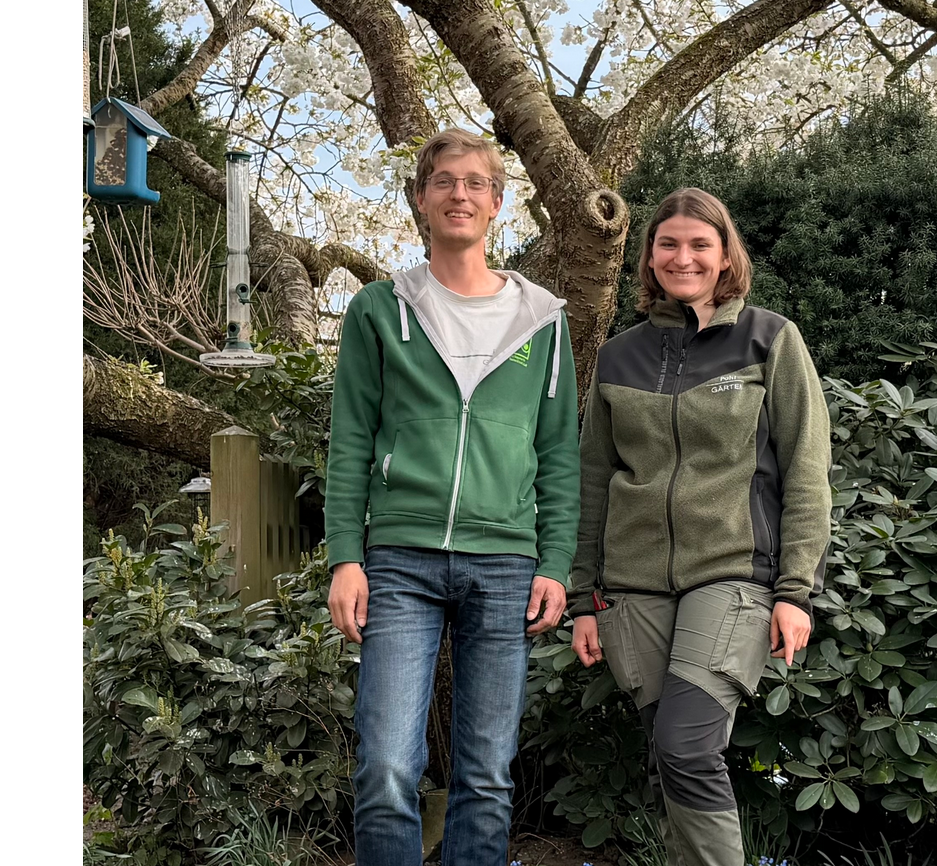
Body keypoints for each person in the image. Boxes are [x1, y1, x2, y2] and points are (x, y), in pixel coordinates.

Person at [322, 127, 580, 866]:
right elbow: (351, 442)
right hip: (399, 560)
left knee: (487, 776)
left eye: (474, 183)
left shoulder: (543, 319)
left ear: (498, 203)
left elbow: (558, 450)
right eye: (444, 181)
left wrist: (556, 562)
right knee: (386, 770)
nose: (459, 194)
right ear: (420, 200)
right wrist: (346, 556)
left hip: (506, 565)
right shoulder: (379, 309)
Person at [567, 188, 832, 866]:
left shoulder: (770, 339)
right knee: (674, 756)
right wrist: (582, 598)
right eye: (668, 245)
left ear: (724, 256)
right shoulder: (619, 356)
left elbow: (806, 469)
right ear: (649, 258)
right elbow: (593, 477)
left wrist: (795, 590)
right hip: (632, 586)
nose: (682, 257)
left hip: (734, 575)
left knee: (687, 744)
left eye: (699, 245)